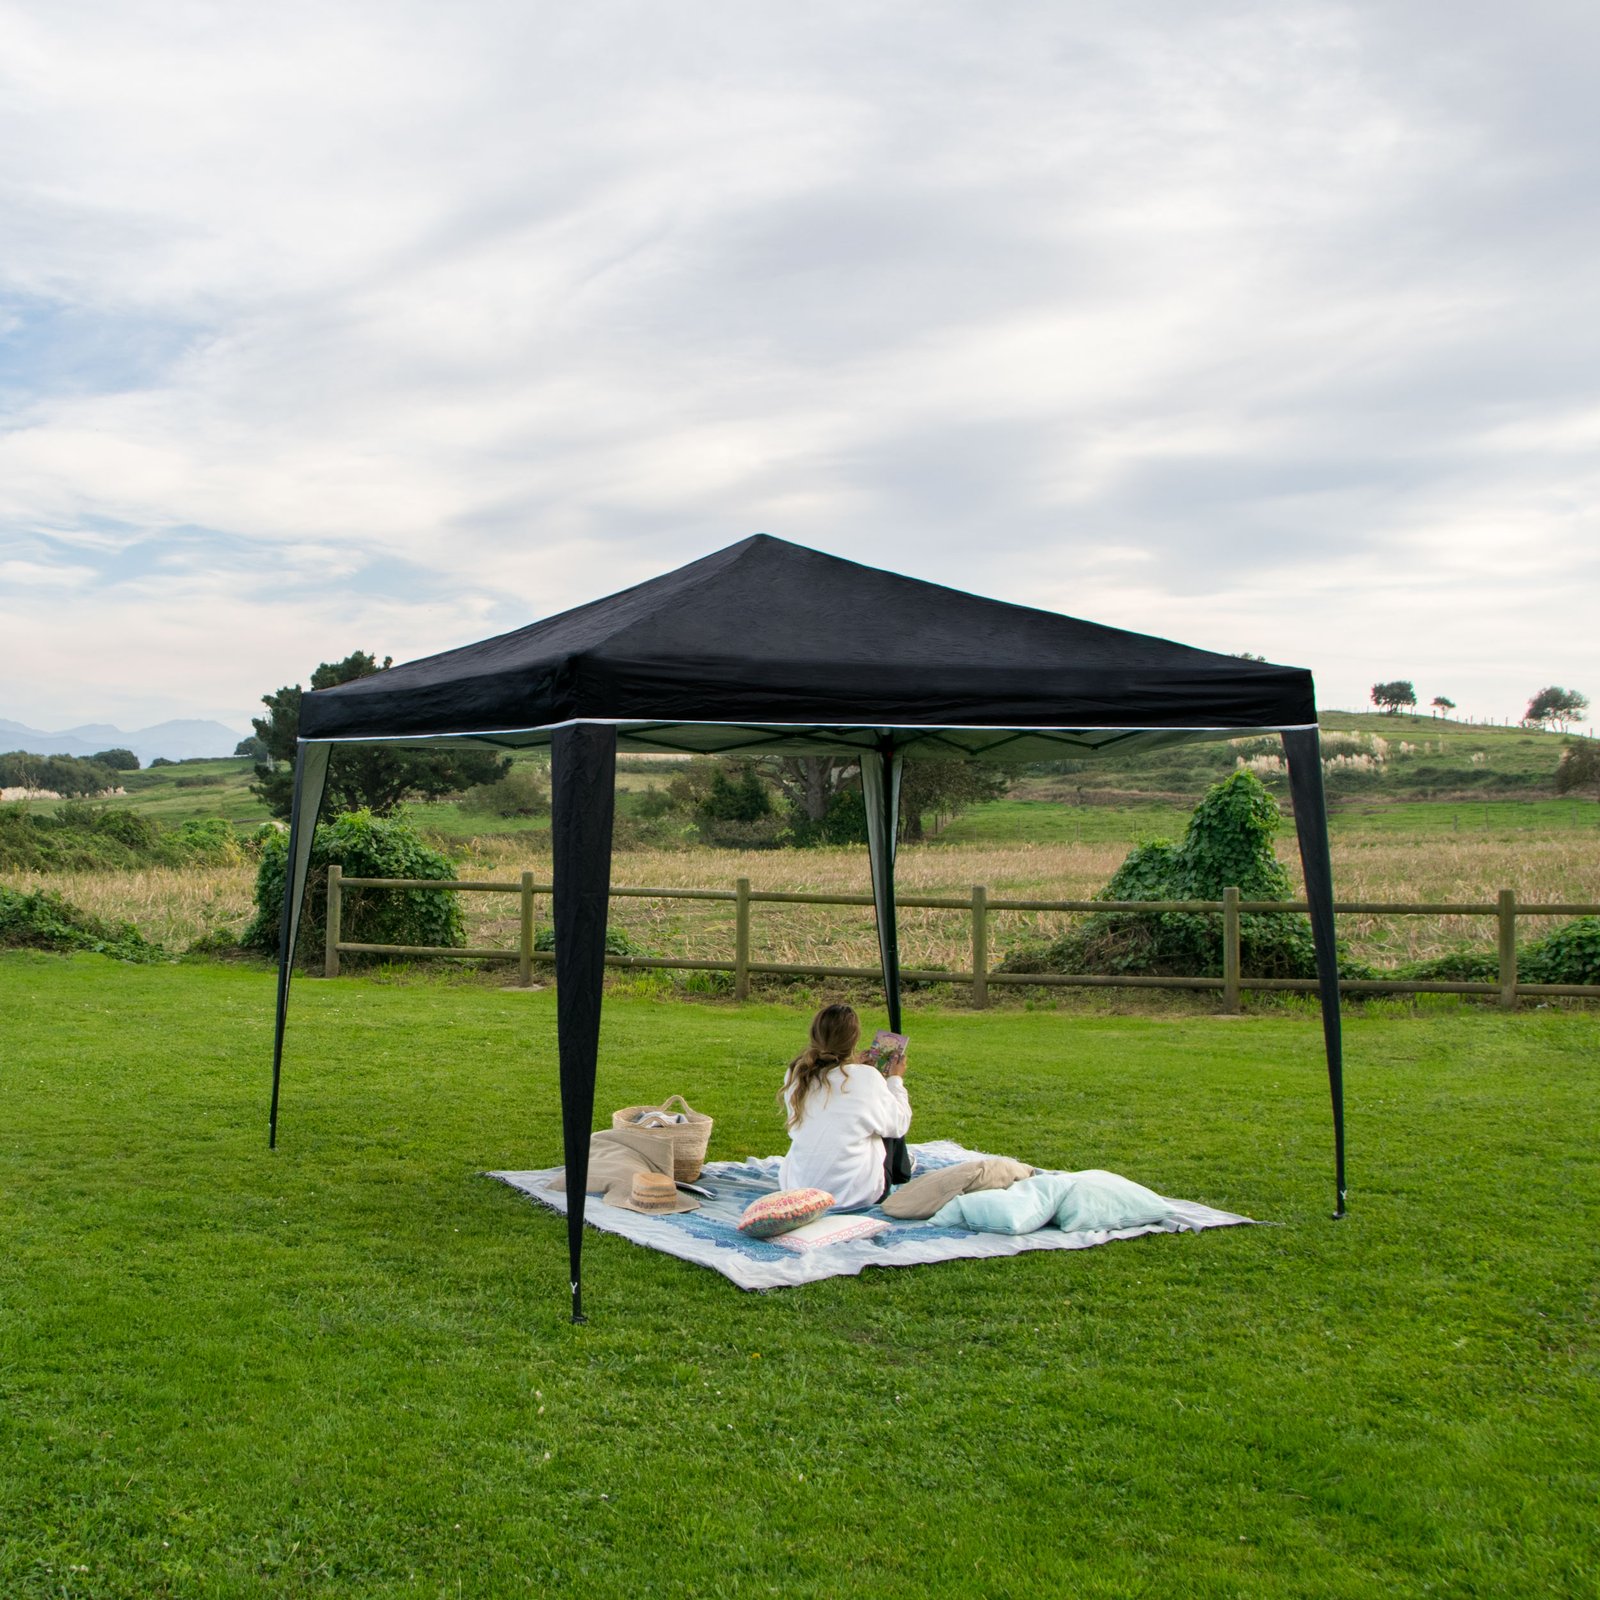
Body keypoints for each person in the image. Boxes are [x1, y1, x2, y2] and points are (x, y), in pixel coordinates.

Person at [778, 1002, 911, 1211]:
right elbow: (899, 1124)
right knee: (886, 1115)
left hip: (798, 1187)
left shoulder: (796, 1073)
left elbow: (830, 1104)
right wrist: (895, 1080)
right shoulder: (867, 1077)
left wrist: (851, 1066)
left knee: (869, 1114)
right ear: (854, 1039)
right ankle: (901, 1171)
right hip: (855, 1194)